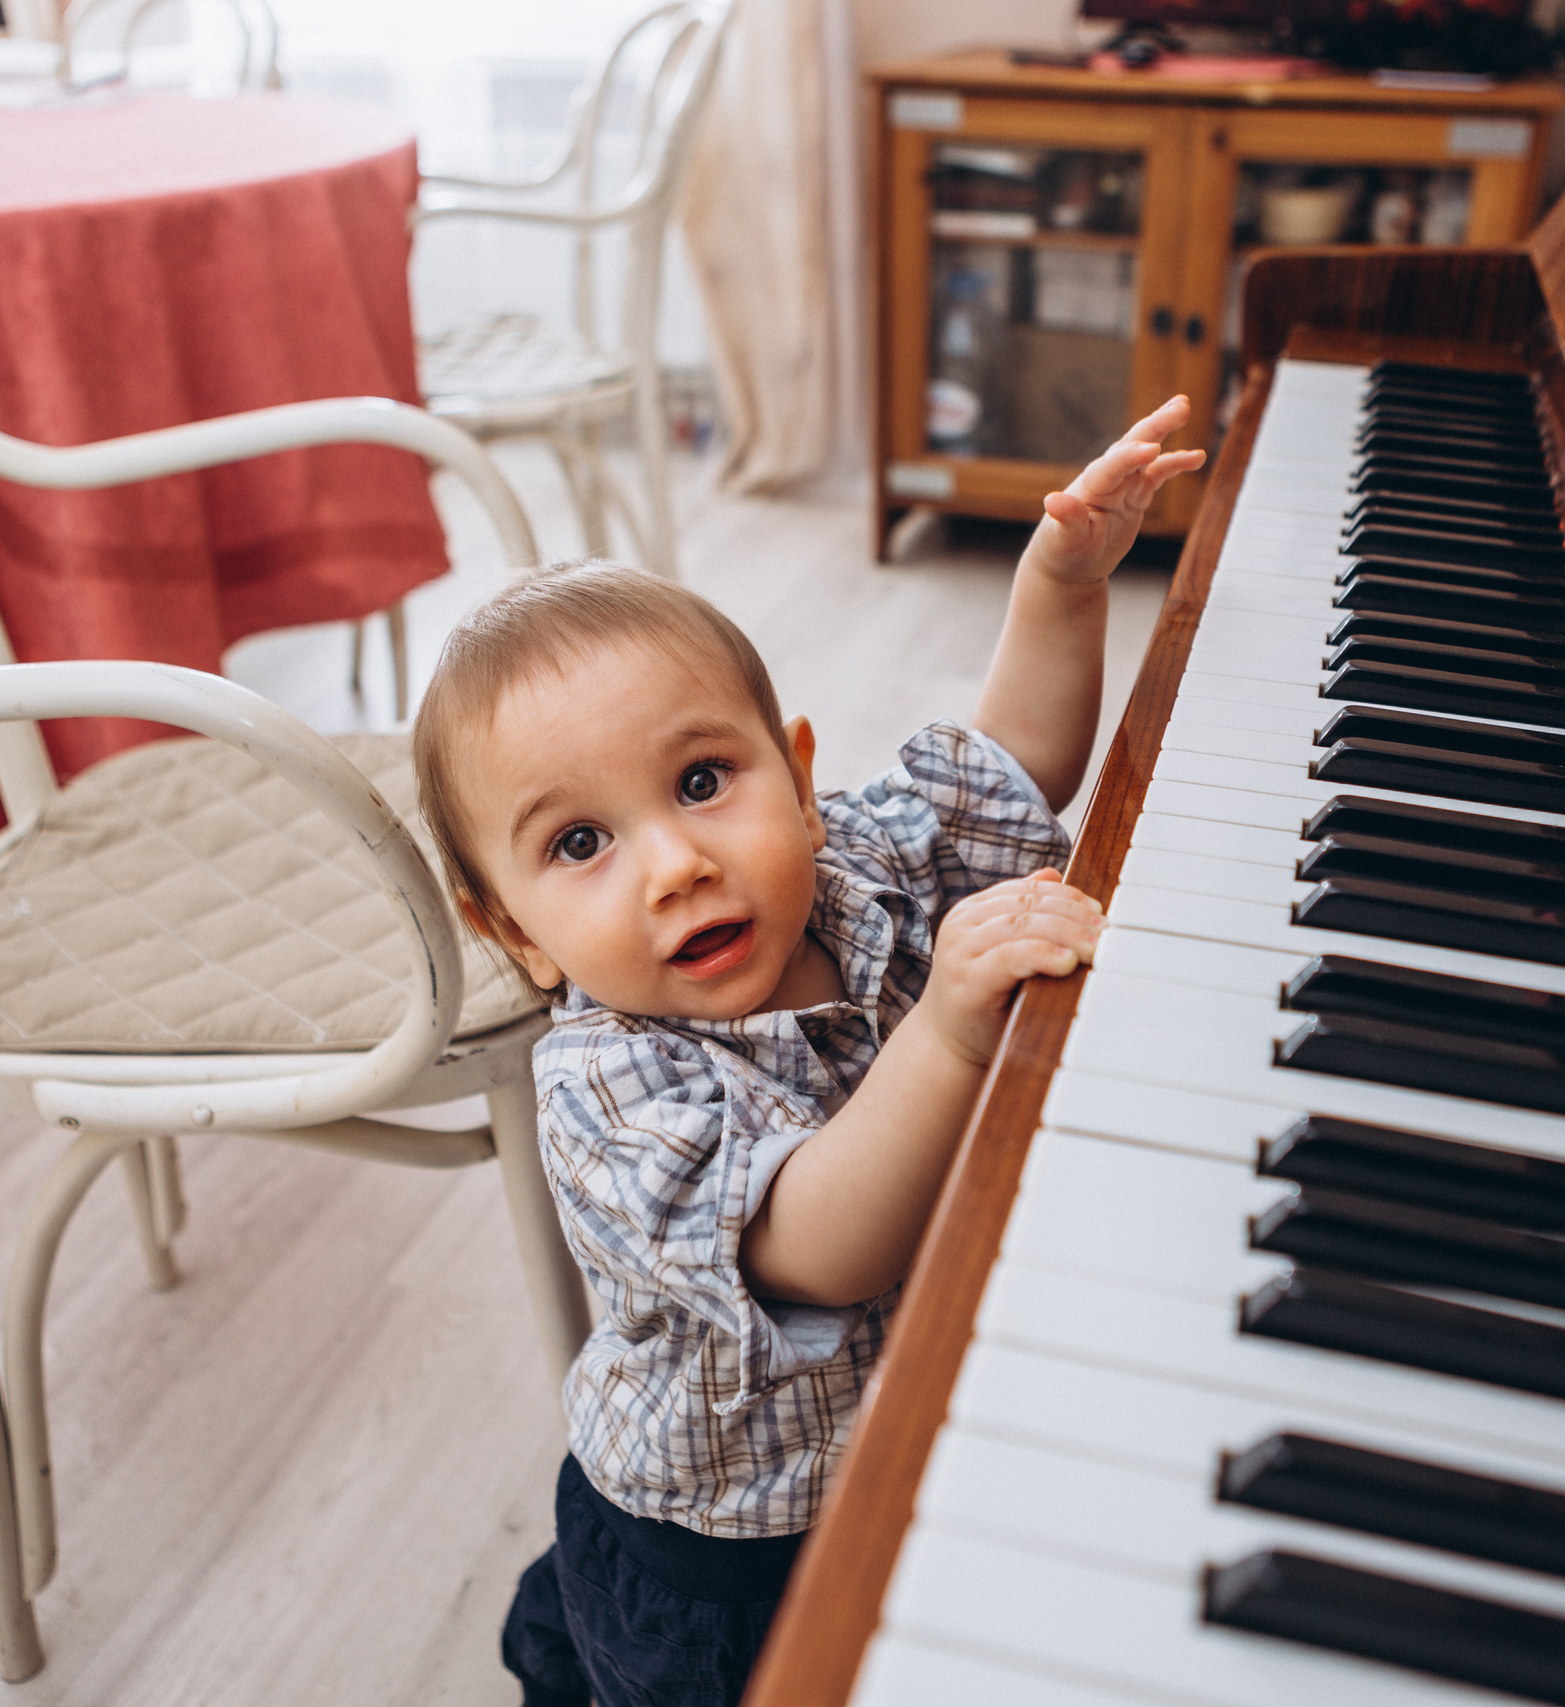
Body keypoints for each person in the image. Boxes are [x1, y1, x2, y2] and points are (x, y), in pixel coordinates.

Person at [409, 399, 1205, 1707]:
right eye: (579, 844)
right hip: (720, 1561)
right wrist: (948, 1029)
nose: (677, 863)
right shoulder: (606, 1085)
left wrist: (1061, 585)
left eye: (703, 781)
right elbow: (820, 1246)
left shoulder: (851, 873)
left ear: (797, 781)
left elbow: (1012, 768)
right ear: (516, 933)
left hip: (896, 1458)